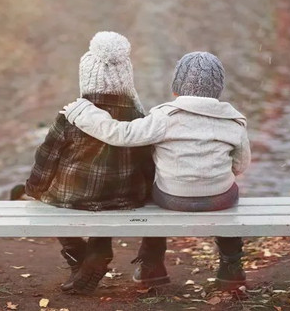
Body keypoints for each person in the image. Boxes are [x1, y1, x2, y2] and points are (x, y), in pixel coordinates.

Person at [62, 51, 252, 291]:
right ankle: (231, 266)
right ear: (217, 90)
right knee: (230, 192)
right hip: (219, 199)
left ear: (177, 89)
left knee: (152, 183)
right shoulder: (233, 121)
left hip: (172, 198)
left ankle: (152, 264)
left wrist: (84, 113)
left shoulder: (164, 117)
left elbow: (121, 134)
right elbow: (241, 165)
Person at [25, 31, 162, 294]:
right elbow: (148, 161)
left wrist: (35, 188)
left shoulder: (73, 115)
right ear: (126, 77)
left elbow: (47, 156)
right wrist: (146, 190)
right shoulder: (136, 115)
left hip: (74, 195)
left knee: (51, 202)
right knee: (106, 197)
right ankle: (99, 247)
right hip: (125, 196)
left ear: (86, 77)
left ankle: (78, 255)